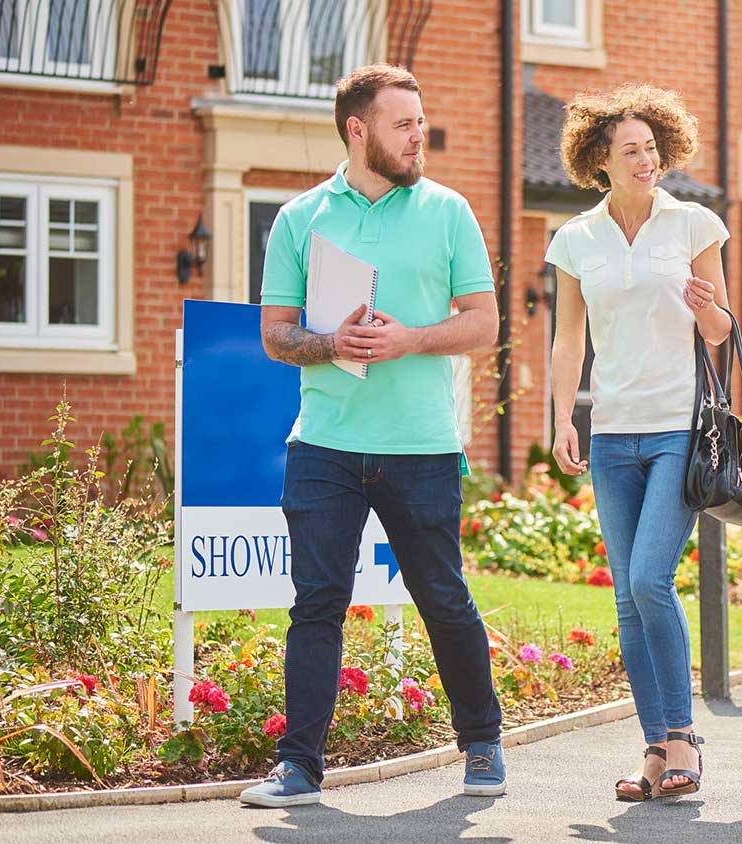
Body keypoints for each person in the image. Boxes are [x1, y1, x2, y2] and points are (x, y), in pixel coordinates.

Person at [239, 63, 506, 808]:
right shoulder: (300, 219)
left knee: (442, 597)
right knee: (316, 603)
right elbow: (275, 335)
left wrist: (411, 338)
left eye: (420, 122)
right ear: (358, 131)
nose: (419, 135)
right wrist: (331, 345)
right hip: (323, 441)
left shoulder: (449, 211)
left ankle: (482, 744)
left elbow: (484, 323)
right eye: (403, 124)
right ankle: (299, 767)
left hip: (420, 445)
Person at [545, 83, 731, 801]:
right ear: (601, 160)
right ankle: (656, 751)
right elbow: (568, 337)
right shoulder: (575, 239)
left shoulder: (693, 225)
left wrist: (708, 309)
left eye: (652, 148)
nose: (646, 160)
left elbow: (721, 333)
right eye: (631, 151)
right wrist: (564, 416)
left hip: (678, 427)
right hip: (613, 432)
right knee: (626, 597)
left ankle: (684, 737)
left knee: (651, 577)